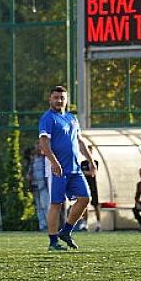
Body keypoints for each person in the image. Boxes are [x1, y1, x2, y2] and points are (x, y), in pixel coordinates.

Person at [39, 85, 95, 251]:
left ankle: (66, 231)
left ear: (67, 99)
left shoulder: (72, 118)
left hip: (75, 168)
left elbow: (80, 141)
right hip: (57, 169)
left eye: (62, 97)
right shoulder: (48, 118)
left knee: (85, 198)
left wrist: (90, 160)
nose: (59, 100)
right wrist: (54, 162)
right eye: (56, 97)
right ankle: (52, 242)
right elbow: (43, 142)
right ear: (50, 99)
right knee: (57, 203)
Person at [27, 143, 50, 231]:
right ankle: (42, 226)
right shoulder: (33, 160)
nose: (38, 149)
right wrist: (29, 177)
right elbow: (30, 171)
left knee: (46, 206)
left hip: (44, 185)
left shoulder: (46, 159)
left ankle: (49, 225)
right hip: (35, 185)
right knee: (39, 207)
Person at [80, 144, 101, 231]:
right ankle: (85, 224)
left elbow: (93, 173)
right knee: (85, 205)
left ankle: (98, 224)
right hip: (85, 186)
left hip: (93, 186)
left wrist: (84, 172)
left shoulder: (95, 162)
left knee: (96, 205)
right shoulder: (82, 163)